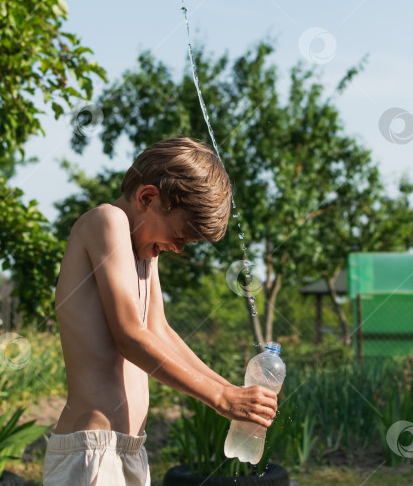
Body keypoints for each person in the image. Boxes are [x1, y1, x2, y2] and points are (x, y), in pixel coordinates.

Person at [42, 137, 278, 485]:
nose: (179, 249)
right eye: (179, 235)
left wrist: (230, 391)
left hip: (130, 449)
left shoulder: (144, 254)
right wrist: (220, 398)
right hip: (91, 453)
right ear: (148, 198)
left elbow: (159, 331)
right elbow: (129, 336)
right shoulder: (106, 222)